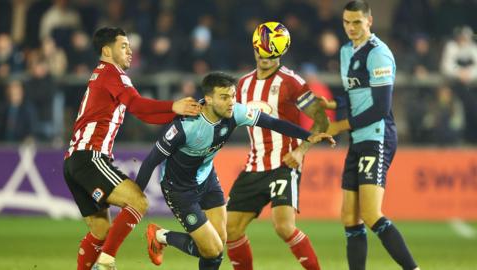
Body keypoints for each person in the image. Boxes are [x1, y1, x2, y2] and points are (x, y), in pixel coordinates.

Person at [136, 72, 335, 270]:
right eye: (224, 97)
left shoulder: (236, 112)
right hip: (179, 190)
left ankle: (161, 237)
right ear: (208, 99)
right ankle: (162, 236)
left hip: (207, 180)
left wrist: (308, 136)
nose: (231, 102)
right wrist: (135, 200)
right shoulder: (185, 127)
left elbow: (273, 123)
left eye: (233, 95)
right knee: (212, 250)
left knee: (217, 247)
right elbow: (150, 161)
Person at [62, 27, 201, 270]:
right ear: (107, 50)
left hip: (74, 161)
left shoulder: (101, 74)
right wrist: (174, 106)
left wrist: (174, 112)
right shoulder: (113, 74)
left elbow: (145, 115)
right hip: (90, 157)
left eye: (129, 45)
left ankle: (97, 262)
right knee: (138, 202)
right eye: (123, 45)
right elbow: (137, 105)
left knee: (101, 230)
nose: (130, 50)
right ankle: (105, 263)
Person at [319, 2, 420, 270]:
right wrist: (333, 105)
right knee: (350, 218)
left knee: (371, 213)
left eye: (357, 23)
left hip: (377, 137)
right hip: (358, 137)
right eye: (346, 22)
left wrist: (339, 125)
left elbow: (380, 107)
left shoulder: (379, 54)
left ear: (370, 21)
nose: (351, 28)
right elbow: (355, 97)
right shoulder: (345, 52)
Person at [225, 22, 329, 270]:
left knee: (283, 226)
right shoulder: (242, 84)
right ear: (254, 49)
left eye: (272, 55)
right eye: (262, 52)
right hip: (254, 165)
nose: (266, 58)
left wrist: (301, 151)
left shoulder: (292, 82)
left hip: (285, 163)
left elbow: (321, 120)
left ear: (281, 53)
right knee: (230, 230)